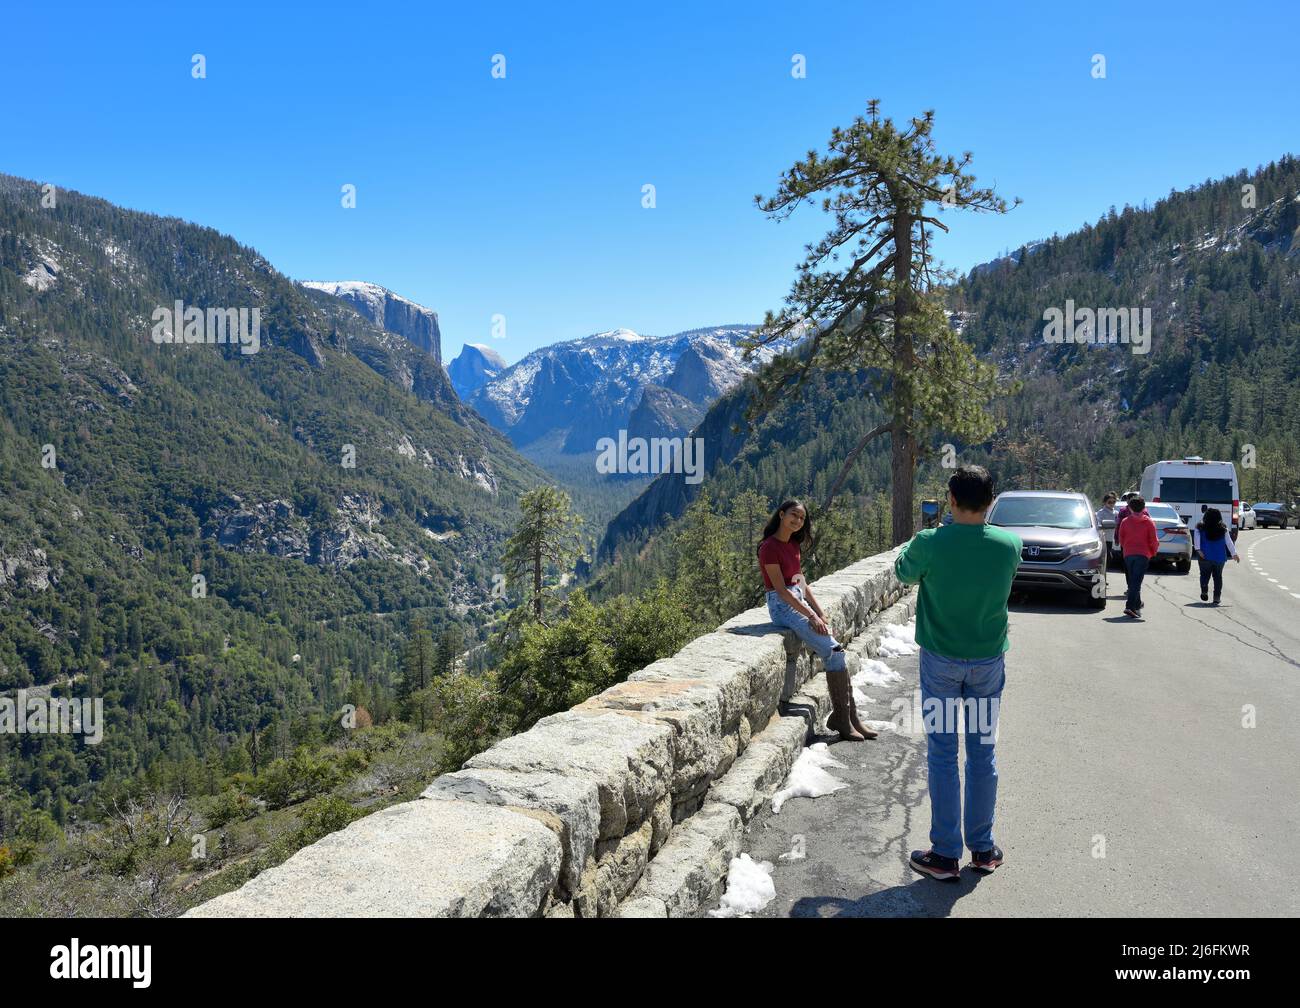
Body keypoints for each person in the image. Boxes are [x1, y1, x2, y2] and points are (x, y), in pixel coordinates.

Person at [894, 465, 1021, 880]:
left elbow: (903, 573)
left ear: (950, 500)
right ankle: (983, 849)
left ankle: (945, 854)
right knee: (983, 753)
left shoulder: (931, 542)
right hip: (987, 663)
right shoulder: (1009, 545)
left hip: (942, 663)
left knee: (944, 754)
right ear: (990, 500)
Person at [759, 500, 876, 741]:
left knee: (836, 651)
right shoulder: (769, 548)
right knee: (833, 650)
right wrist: (810, 615)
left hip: (796, 599)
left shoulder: (793, 545)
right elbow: (781, 590)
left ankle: (849, 717)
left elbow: (801, 583)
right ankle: (843, 718)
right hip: (781, 606)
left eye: (802, 518)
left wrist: (819, 610)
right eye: (794, 515)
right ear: (781, 515)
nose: (798, 521)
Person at [1116, 495, 1158, 618]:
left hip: (1128, 554)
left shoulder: (1125, 521)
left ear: (1130, 508)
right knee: (1136, 582)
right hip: (1143, 554)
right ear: (1144, 507)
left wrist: (1126, 548)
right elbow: (1153, 540)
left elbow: (1121, 538)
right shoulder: (1148, 522)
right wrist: (1153, 552)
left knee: (1133, 580)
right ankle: (1129, 606)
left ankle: (1138, 604)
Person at [1193, 507, 1239, 605]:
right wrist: (1234, 553)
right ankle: (1217, 597)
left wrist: (1198, 549)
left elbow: (1196, 538)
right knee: (1218, 577)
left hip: (1204, 555)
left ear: (1205, 516)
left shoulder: (1200, 527)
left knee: (1204, 574)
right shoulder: (1223, 528)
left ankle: (1204, 590)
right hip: (1219, 557)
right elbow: (1229, 542)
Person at [1096, 493, 1119, 562]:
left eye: (1113, 502)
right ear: (1104, 502)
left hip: (1113, 538)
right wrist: (1103, 525)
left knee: (1108, 559)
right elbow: (1098, 524)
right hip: (1104, 539)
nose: (1112, 504)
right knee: (1108, 557)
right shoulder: (1101, 513)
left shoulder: (1117, 513)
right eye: (1109, 502)